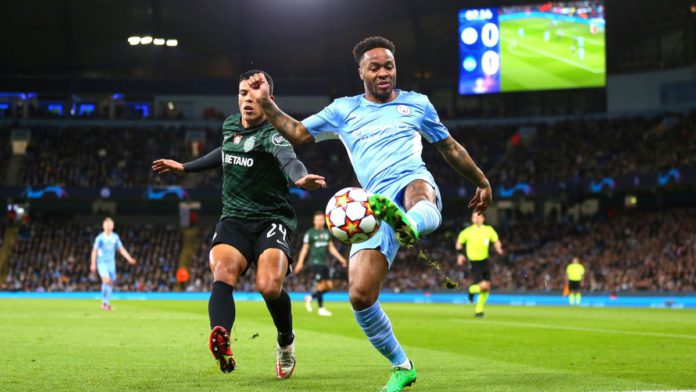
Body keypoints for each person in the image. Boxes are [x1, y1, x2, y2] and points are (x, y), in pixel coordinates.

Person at [248, 36, 493, 392]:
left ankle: (409, 222)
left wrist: (482, 182)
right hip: (371, 207)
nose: (383, 72)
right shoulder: (344, 110)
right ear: (360, 72)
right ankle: (402, 365)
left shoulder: (417, 104)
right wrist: (267, 104)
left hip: (411, 181)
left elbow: (449, 148)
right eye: (374, 67)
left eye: (389, 66)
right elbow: (299, 133)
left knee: (419, 194)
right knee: (360, 296)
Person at [151, 70, 326, 379]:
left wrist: (300, 178)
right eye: (243, 93)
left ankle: (286, 341)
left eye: (255, 94)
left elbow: (289, 160)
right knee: (222, 272)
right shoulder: (230, 125)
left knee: (268, 286)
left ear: (269, 100)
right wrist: (186, 167)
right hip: (234, 219)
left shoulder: (274, 134)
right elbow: (226, 151)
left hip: (272, 220)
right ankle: (222, 337)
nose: (248, 99)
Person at [295, 211, 348, 316]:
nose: (319, 221)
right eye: (317, 219)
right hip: (315, 262)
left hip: (325, 263)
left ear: (324, 221)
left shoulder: (326, 233)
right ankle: (321, 309)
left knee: (329, 286)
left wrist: (341, 259)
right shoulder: (310, 233)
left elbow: (331, 248)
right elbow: (305, 249)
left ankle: (310, 298)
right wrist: (300, 263)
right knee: (320, 285)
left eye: (321, 220)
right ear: (314, 221)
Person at [456, 212, 503, 318]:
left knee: (486, 288)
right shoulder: (467, 232)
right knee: (483, 286)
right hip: (474, 262)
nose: (477, 219)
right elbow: (459, 243)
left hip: (485, 262)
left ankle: (479, 311)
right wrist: (460, 255)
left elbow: (496, 240)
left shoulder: (489, 230)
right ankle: (471, 290)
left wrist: (498, 248)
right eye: (474, 217)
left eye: (479, 216)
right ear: (472, 219)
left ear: (483, 218)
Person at [89, 217, 136, 311]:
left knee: (110, 283)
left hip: (111, 263)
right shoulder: (100, 238)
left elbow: (121, 249)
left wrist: (129, 258)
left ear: (113, 226)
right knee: (106, 280)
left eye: (110, 225)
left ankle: (106, 303)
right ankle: (104, 302)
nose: (109, 226)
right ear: (103, 226)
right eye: (107, 224)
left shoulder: (115, 237)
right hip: (101, 262)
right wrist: (93, 263)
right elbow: (94, 251)